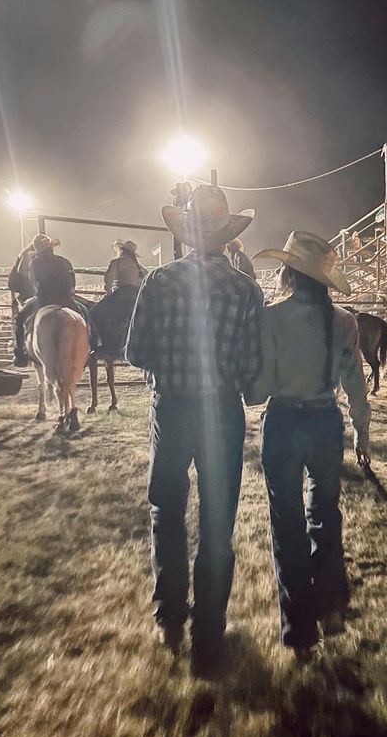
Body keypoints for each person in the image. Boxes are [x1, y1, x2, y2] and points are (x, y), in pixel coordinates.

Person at [125, 185, 263, 675]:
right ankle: (209, 633)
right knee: (218, 519)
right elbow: (250, 370)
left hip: (173, 408)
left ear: (185, 233)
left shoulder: (159, 281)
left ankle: (169, 617)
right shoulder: (246, 289)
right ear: (227, 236)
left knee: (166, 506)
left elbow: (135, 351)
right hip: (221, 412)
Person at [245, 231, 371, 661]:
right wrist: (362, 431)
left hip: (283, 421)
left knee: (286, 523)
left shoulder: (270, 317)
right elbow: (355, 384)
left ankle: (298, 630)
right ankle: (331, 602)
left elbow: (257, 392)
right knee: (324, 514)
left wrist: (250, 386)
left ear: (288, 272)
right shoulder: (344, 321)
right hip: (325, 421)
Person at [13, 235, 87, 366]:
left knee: (19, 319)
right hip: (65, 298)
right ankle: (90, 347)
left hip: (43, 298)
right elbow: (71, 281)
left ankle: (20, 354)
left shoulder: (35, 263)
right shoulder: (63, 261)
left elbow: (34, 282)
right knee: (85, 315)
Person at [89, 240, 146, 358]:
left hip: (121, 292)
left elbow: (108, 278)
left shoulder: (117, 262)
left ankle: (103, 346)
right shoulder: (138, 266)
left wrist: (108, 292)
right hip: (135, 294)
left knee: (95, 313)